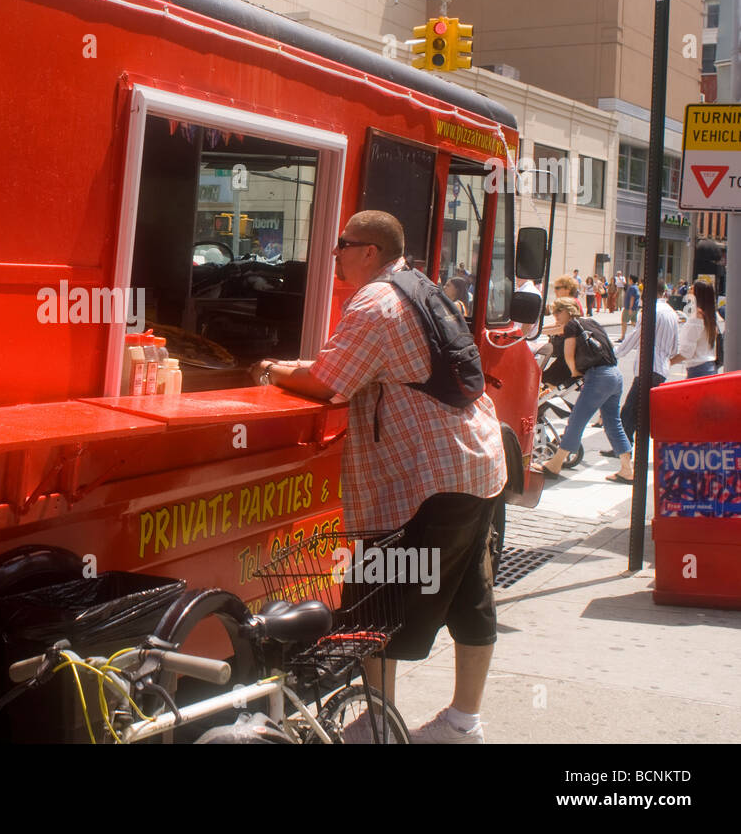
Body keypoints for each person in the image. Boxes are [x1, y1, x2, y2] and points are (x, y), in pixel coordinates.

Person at [252, 210, 505, 744]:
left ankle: (376, 725)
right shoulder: (421, 287)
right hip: (475, 465)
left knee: (379, 596)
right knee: (469, 596)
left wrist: (273, 369)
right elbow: (360, 364)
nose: (335, 255)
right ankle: (464, 724)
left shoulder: (373, 300)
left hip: (425, 482)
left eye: (342, 245)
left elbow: (327, 383)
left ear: (369, 251)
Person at [533, 298, 634, 483]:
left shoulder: (571, 325)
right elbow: (557, 330)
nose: (555, 316)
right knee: (613, 423)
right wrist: (537, 331)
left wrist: (574, 372)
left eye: (558, 312)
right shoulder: (590, 322)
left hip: (598, 377)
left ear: (568, 312)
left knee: (576, 420)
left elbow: (569, 356)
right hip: (614, 374)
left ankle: (554, 465)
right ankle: (627, 469)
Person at [614, 279, 679, 443]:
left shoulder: (650, 311)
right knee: (643, 412)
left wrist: (614, 353)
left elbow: (635, 338)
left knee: (629, 411)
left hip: (648, 368)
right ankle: (631, 447)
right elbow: (674, 348)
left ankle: (623, 449)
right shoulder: (672, 312)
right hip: (662, 368)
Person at [672, 279, 725, 379]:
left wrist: (668, 363)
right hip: (709, 367)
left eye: (692, 288)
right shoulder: (711, 315)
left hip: (698, 370)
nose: (689, 290)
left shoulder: (697, 317)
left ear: (698, 294)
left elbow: (687, 352)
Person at [619, 275, 640, 342]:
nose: (628, 280)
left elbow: (632, 298)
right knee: (634, 322)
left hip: (629, 308)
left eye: (629, 279)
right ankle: (641, 333)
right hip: (635, 308)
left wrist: (630, 308)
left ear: (631, 280)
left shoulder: (632, 288)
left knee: (624, 322)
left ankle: (622, 337)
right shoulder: (636, 287)